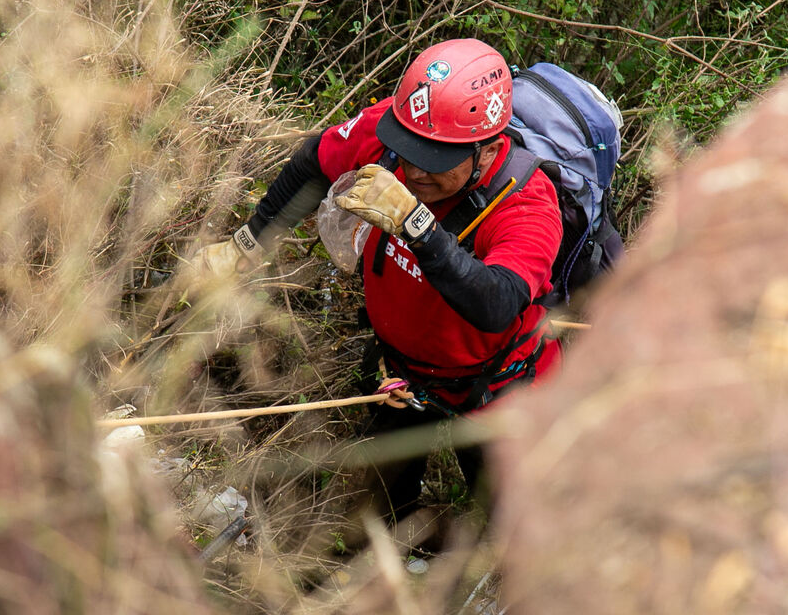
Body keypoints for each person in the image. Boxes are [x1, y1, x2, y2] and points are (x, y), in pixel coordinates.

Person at [186, 37, 563, 529]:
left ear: (488, 150)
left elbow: (496, 302)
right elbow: (315, 161)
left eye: (437, 159)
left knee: (516, 526)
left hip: (500, 390)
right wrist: (244, 245)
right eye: (409, 152)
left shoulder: (527, 204)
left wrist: (417, 223)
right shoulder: (400, 129)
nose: (413, 169)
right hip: (403, 375)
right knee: (376, 517)